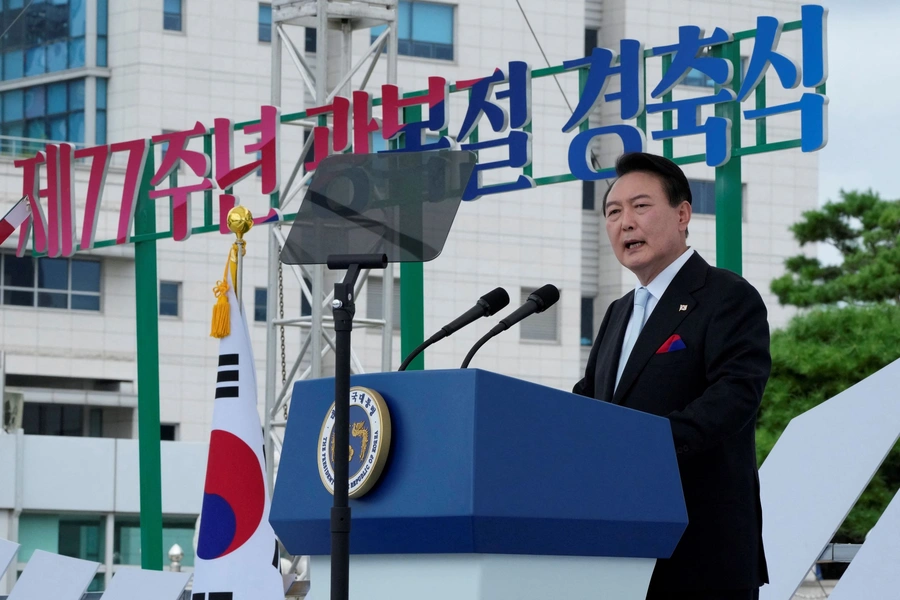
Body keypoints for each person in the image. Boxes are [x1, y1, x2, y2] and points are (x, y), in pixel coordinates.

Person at [574, 152, 771, 600]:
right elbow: (589, 402)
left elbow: (735, 396)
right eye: (613, 212)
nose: (625, 223)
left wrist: (642, 446)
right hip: (620, 545)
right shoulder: (617, 313)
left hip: (700, 550)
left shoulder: (726, 295)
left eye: (640, 207)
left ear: (683, 214)